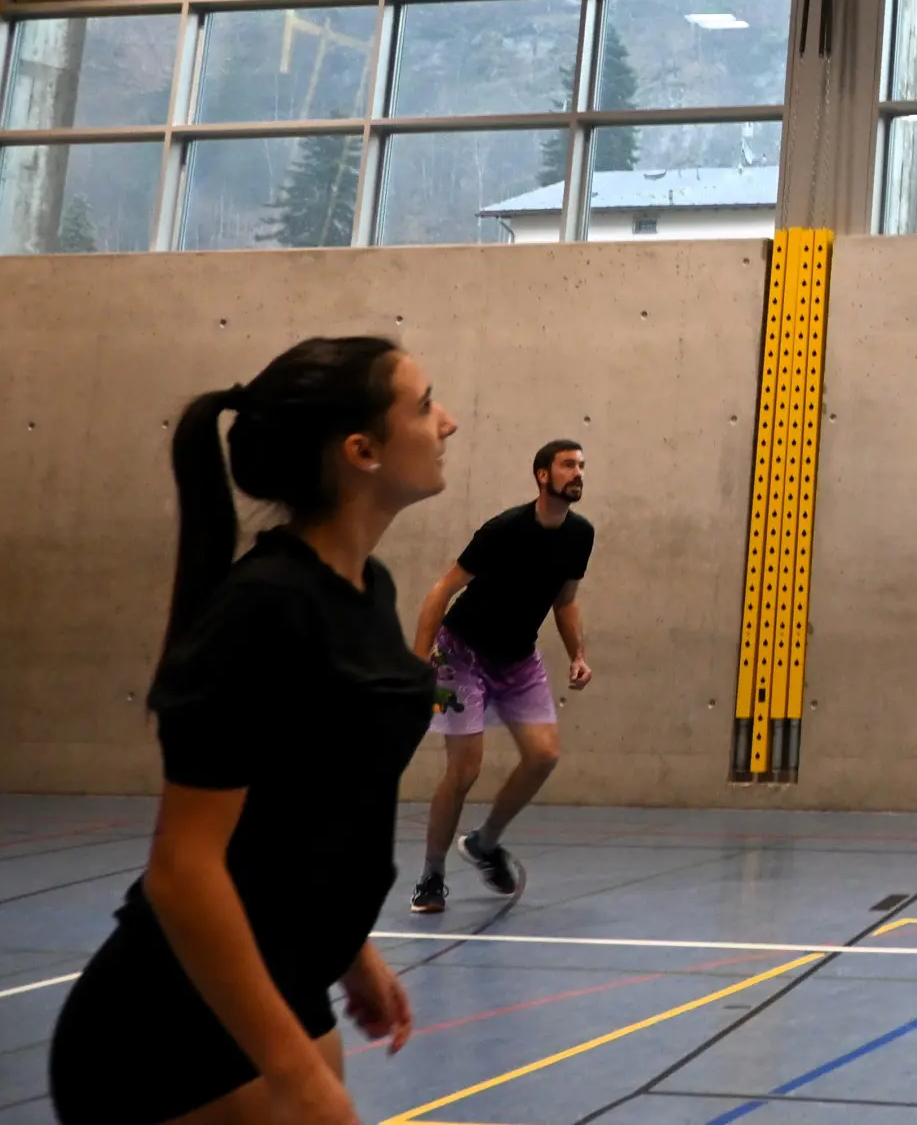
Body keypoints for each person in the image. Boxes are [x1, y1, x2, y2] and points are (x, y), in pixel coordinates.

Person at [49, 337, 454, 1125]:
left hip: (287, 982)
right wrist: (291, 1071)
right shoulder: (263, 608)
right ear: (360, 450)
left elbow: (305, 805)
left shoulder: (368, 589)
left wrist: (351, 951)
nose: (449, 421)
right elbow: (183, 869)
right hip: (166, 1029)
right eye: (424, 403)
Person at [409, 438, 594, 912]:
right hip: (460, 656)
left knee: (544, 756)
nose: (577, 473)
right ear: (542, 475)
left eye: (581, 466)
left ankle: (485, 843)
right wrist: (417, 658)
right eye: (568, 465)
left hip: (517, 659)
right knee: (464, 770)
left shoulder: (580, 535)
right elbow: (441, 590)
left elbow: (565, 599)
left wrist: (578, 653)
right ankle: (431, 877)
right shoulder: (503, 530)